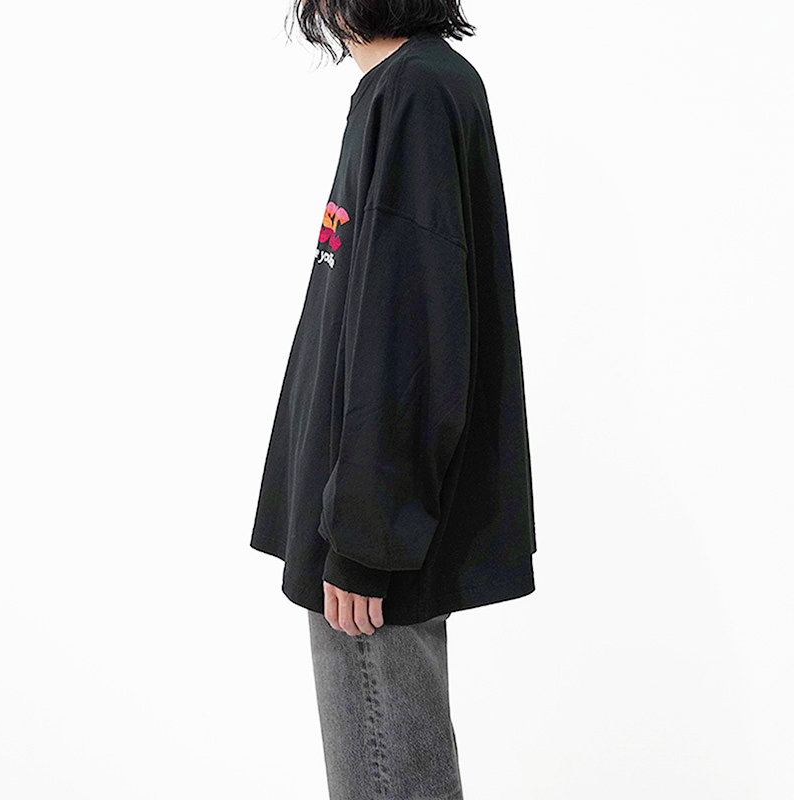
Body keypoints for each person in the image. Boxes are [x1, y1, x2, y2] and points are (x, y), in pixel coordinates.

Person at [251, 2, 537, 797]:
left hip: (372, 525)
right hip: (363, 505)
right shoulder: (411, 86)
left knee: (387, 774)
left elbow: (408, 329)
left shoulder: (416, 92)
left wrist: (366, 537)